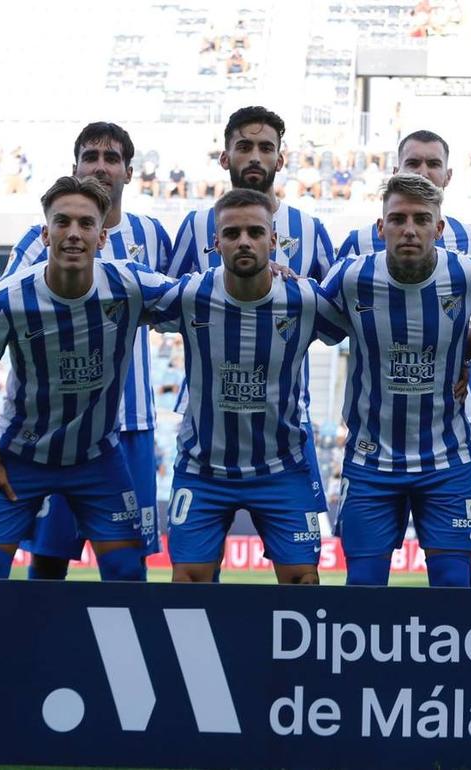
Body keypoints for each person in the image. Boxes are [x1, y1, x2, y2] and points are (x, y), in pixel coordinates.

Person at [0, 176, 176, 581]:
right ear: (46, 234)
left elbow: (195, 296)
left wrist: (265, 274)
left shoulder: (128, 283)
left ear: (102, 237)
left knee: (126, 570)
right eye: (62, 223)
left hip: (97, 456)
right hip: (20, 456)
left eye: (86, 224)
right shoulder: (7, 300)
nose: (74, 234)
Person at [318, 173, 471, 587]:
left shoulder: (467, 274)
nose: (409, 229)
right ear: (381, 226)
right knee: (363, 590)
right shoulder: (352, 276)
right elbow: (300, 316)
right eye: (398, 218)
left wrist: (463, 351)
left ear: (438, 229)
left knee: (455, 588)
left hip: (446, 460)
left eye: (421, 219)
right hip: (370, 461)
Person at [151, 189, 347, 584]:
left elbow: (365, 327)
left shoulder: (304, 299)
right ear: (215, 242)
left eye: (255, 232)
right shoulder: (190, 295)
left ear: (273, 240)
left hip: (282, 468)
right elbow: (125, 308)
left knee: (303, 583)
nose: (244, 240)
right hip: (203, 468)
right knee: (187, 584)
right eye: (233, 232)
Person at [165, 106, 335, 528]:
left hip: (285, 422)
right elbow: (166, 311)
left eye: (265, 148)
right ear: (225, 158)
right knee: (197, 569)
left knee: (298, 568)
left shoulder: (311, 230)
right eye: (244, 147)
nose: (255, 156)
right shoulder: (196, 225)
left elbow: (338, 318)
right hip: (206, 424)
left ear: (281, 159)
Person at [336, 129, 471, 438]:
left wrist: (458, 355)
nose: (423, 172)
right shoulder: (360, 241)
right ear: (396, 172)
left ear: (447, 175)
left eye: (433, 164)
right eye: (413, 163)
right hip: (378, 410)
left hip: (453, 402)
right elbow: (337, 316)